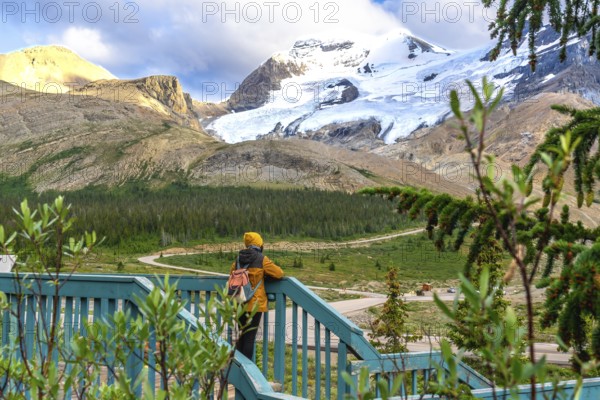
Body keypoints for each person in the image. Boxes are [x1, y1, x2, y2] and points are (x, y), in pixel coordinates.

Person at [231, 232, 284, 360]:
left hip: (239, 302)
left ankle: (238, 370)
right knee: (249, 339)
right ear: (259, 244)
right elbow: (279, 273)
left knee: (241, 338)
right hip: (255, 304)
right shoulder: (261, 259)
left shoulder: (238, 259)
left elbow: (232, 275)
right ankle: (247, 372)